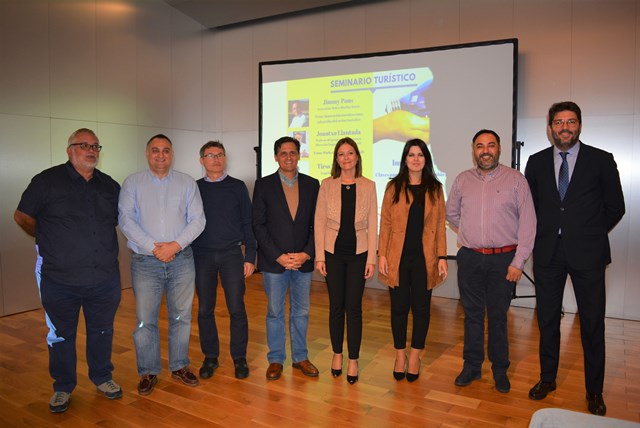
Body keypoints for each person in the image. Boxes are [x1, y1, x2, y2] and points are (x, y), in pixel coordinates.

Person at [524, 102, 625, 416]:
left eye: (570, 121)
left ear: (579, 125)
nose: (564, 127)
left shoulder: (601, 160)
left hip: (588, 254)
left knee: (592, 324)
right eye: (558, 121)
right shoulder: (536, 162)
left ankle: (594, 391)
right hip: (548, 256)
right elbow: (531, 208)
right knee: (548, 320)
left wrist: (588, 233)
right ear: (550, 127)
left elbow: (615, 206)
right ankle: (547, 379)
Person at [14, 128, 122, 413]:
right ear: (69, 149)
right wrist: (47, 237)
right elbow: (22, 216)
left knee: (102, 331)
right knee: (61, 334)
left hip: (104, 278)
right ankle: (62, 386)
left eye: (96, 146)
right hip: (60, 279)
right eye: (84, 145)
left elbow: (124, 220)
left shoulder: (110, 186)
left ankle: (102, 377)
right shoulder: (46, 181)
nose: (91, 150)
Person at [446, 129, 536, 394]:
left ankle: (500, 371)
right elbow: (451, 214)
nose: (485, 150)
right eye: (480, 146)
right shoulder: (463, 180)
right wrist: (472, 233)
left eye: (491, 145)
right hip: (470, 258)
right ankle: (471, 367)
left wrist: (518, 261)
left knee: (497, 317)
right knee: (472, 316)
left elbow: (529, 225)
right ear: (474, 150)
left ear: (499, 149)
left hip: (503, 261)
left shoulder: (516, 180)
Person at [118, 134, 206, 396]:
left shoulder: (186, 182)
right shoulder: (133, 183)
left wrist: (174, 246)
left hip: (181, 260)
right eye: (155, 150)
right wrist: (155, 248)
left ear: (172, 154)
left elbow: (198, 220)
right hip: (146, 261)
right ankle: (148, 371)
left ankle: (179, 366)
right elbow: (126, 220)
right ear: (147, 154)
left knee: (182, 317)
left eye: (165, 150)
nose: (160, 155)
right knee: (146, 320)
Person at [378, 138, 448, 383]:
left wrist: (441, 256)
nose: (416, 159)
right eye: (411, 155)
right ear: (405, 159)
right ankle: (400, 355)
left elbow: (440, 225)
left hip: (424, 259)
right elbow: (385, 224)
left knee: (421, 309)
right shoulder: (393, 187)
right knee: (398, 309)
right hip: (397, 258)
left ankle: (416, 356)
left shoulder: (435, 188)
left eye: (420, 155)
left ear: (425, 159)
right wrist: (382, 255)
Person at [252, 136, 320, 381]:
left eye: (293, 152)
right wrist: (278, 256)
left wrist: (306, 253)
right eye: (283, 153)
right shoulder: (263, 185)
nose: (288, 157)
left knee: (301, 312)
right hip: (274, 263)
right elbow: (258, 225)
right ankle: (276, 359)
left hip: (303, 262)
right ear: (276, 157)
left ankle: (300, 357)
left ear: (299, 155)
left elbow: (317, 225)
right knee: (274, 313)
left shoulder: (313, 185)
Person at [314, 137, 377, 385]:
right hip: (332, 254)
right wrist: (320, 256)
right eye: (341, 154)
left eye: (350, 153)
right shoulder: (327, 185)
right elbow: (319, 222)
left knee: (354, 308)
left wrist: (372, 258)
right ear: (336, 159)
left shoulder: (369, 186)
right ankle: (337, 354)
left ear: (357, 157)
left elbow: (373, 224)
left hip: (359, 255)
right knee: (335, 307)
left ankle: (353, 359)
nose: (346, 158)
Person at [192, 141, 256, 380]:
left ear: (225, 158)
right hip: (201, 256)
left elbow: (247, 223)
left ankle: (239, 357)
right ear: (202, 160)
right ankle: (210, 357)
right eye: (210, 155)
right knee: (205, 309)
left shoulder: (237, 187)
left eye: (220, 155)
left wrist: (249, 256)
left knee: (237, 309)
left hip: (231, 255)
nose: (216, 159)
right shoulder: (194, 188)